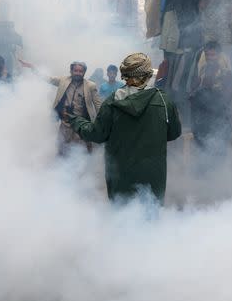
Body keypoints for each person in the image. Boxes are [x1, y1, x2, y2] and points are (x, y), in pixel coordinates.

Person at [69, 53, 181, 204]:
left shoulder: (112, 102)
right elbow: (174, 133)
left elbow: (96, 134)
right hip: (153, 178)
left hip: (121, 179)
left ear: (125, 75)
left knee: (123, 219)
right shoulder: (164, 101)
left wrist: (76, 121)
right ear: (148, 75)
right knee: (151, 221)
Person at [189, 41, 232, 157]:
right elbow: (199, 79)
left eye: (213, 55)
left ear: (219, 54)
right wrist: (191, 91)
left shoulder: (224, 64)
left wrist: (223, 104)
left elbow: (228, 87)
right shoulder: (203, 60)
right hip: (204, 99)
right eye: (208, 55)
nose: (210, 58)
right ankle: (202, 150)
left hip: (218, 99)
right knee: (200, 132)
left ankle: (218, 157)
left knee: (219, 131)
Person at [50, 61, 102, 156]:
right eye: (75, 70)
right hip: (66, 121)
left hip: (81, 123)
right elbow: (49, 79)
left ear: (84, 73)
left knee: (80, 150)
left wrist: (101, 120)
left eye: (80, 71)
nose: (78, 73)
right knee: (62, 147)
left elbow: (98, 104)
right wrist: (33, 69)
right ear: (71, 71)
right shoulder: (64, 80)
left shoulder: (90, 86)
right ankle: (60, 166)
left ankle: (81, 168)